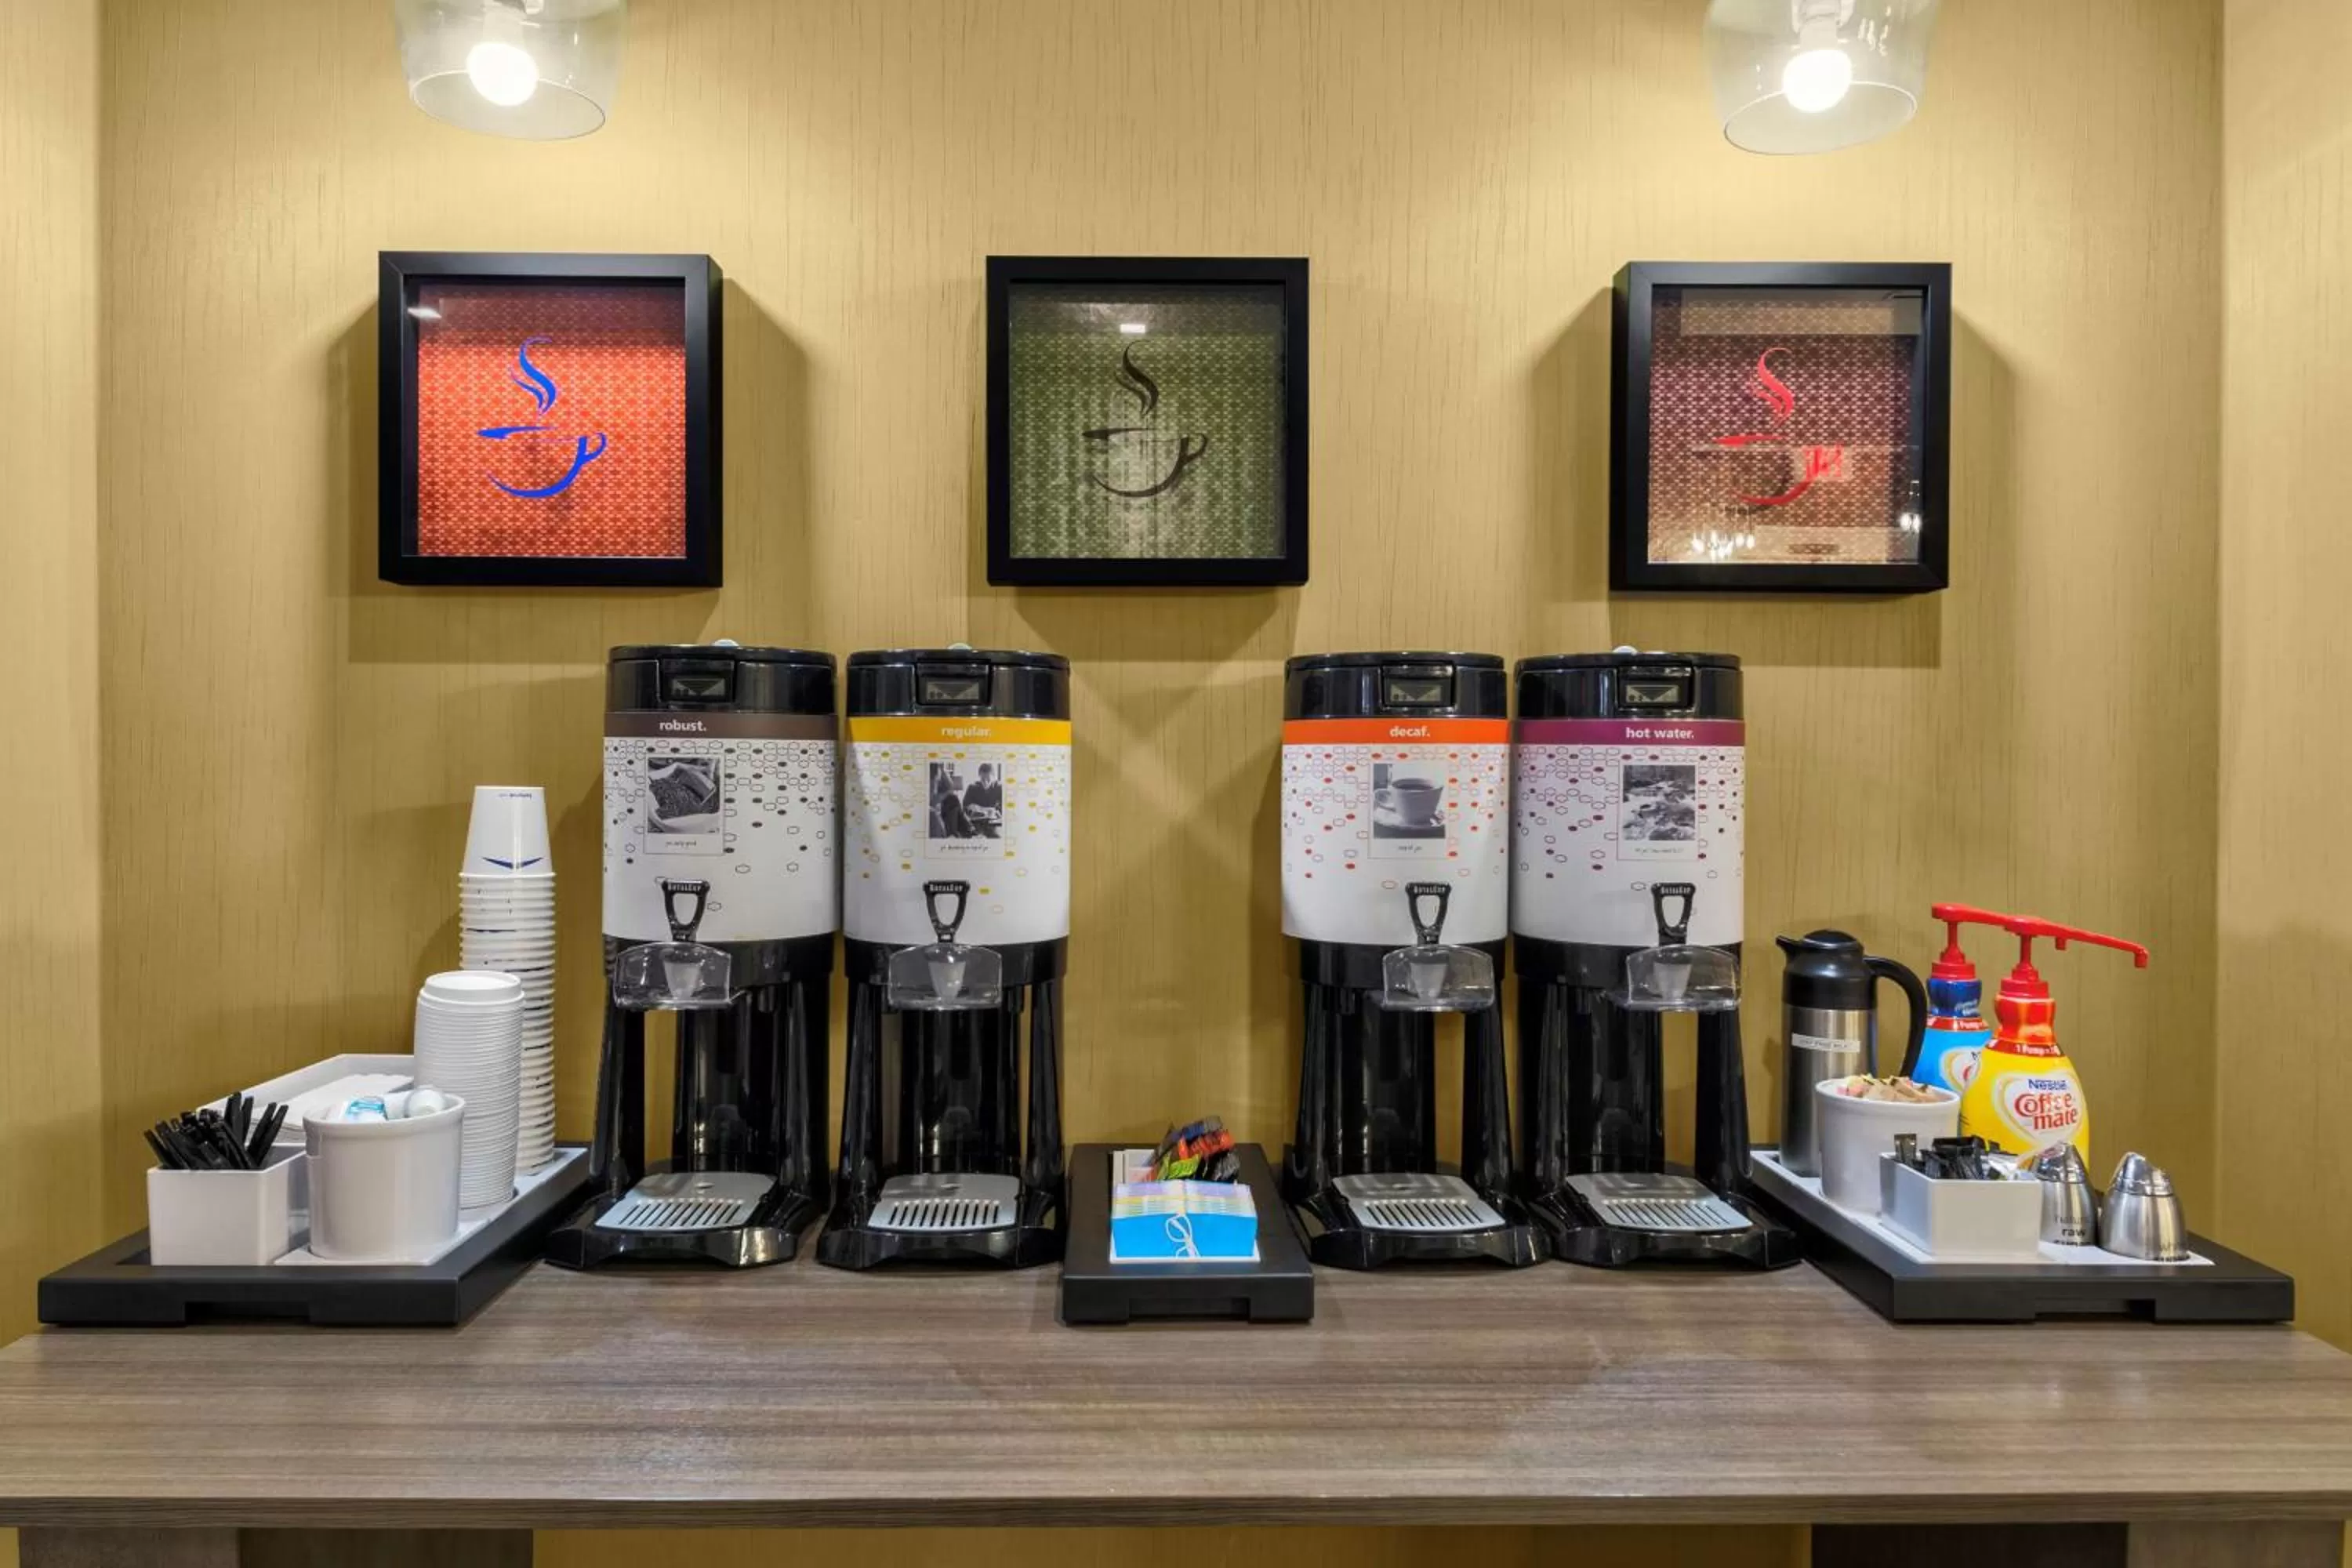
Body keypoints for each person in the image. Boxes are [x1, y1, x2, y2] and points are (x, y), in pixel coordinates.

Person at [962, 762, 1004, 838]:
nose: (985, 782)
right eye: (983, 779)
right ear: (979, 776)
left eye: (988, 779)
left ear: (994, 777)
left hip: (993, 824)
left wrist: (998, 812)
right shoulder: (972, 788)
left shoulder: (999, 788)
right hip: (976, 823)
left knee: (996, 837)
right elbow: (965, 806)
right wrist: (972, 809)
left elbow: (1004, 808)